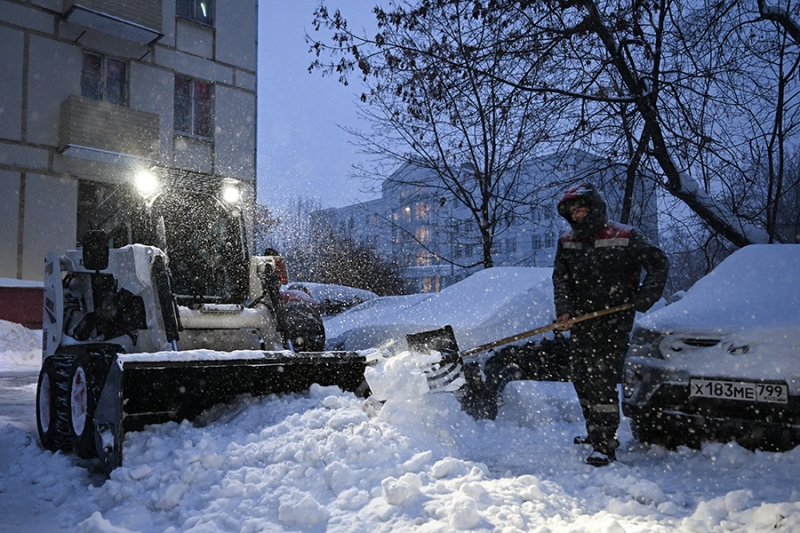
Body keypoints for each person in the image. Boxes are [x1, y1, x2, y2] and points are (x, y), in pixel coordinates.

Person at [553, 182, 668, 467]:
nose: (578, 216)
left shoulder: (625, 235)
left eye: (581, 210)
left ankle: (605, 444)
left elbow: (658, 262)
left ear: (595, 208)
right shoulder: (567, 241)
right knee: (581, 377)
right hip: (582, 321)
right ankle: (594, 432)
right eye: (573, 213)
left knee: (601, 380)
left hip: (614, 319)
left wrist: (645, 296)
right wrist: (564, 311)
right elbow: (561, 278)